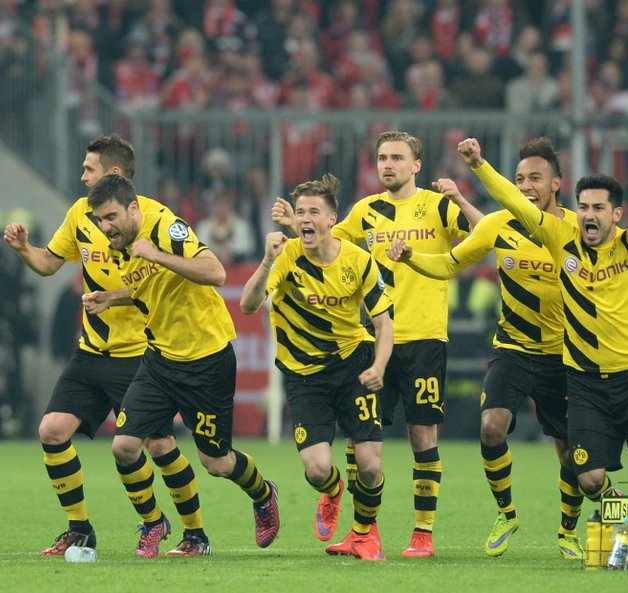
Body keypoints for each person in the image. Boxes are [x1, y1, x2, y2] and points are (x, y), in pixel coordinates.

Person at [273, 129, 481, 557]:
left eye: (397, 158)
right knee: (359, 440)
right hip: (373, 342)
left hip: (424, 337)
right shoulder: (366, 211)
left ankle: (423, 533)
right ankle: (362, 532)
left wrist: (460, 200)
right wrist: (294, 223)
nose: (388, 165)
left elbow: (485, 233)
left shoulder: (437, 204)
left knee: (422, 435)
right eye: (383, 158)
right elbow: (324, 240)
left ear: (416, 165)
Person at [2, 134, 207, 557]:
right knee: (51, 431)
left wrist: (119, 295)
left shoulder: (153, 220)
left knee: (159, 446)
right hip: (92, 350)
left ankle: (195, 534)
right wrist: (24, 249)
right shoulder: (80, 213)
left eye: (88, 168)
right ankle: (81, 529)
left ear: (113, 174)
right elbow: (49, 264)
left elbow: (184, 275)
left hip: (141, 355)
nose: (82, 176)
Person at [457, 137, 628, 514]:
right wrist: (479, 165)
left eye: (598, 208)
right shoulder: (563, 239)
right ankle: (620, 515)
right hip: (584, 380)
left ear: (617, 214)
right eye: (584, 207)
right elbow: (513, 205)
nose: (590, 214)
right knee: (588, 478)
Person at [386, 137, 585, 560]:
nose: (526, 186)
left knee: (569, 449)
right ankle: (506, 513)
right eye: (520, 179)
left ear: (556, 184)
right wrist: (411, 257)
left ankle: (568, 530)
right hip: (512, 348)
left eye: (535, 178)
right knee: (492, 428)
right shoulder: (497, 225)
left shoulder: (573, 229)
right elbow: (449, 263)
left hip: (563, 354)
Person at [81, 173, 280, 555]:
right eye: (100, 220)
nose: (105, 228)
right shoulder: (120, 244)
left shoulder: (165, 228)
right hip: (159, 360)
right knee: (124, 447)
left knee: (217, 463)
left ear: (133, 208)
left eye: (111, 217)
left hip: (207, 360)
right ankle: (157, 524)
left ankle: (262, 493)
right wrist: (113, 297)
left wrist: (156, 254)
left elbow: (215, 272)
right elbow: (149, 285)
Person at [241, 174, 394, 560]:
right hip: (304, 374)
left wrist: (379, 365)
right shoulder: (285, 256)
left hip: (354, 365)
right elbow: (248, 305)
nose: (306, 218)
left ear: (331, 219)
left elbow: (383, 324)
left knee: (370, 465)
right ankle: (332, 490)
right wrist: (266, 261)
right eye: (301, 212)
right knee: (317, 469)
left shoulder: (358, 260)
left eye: (313, 212)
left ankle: (364, 534)